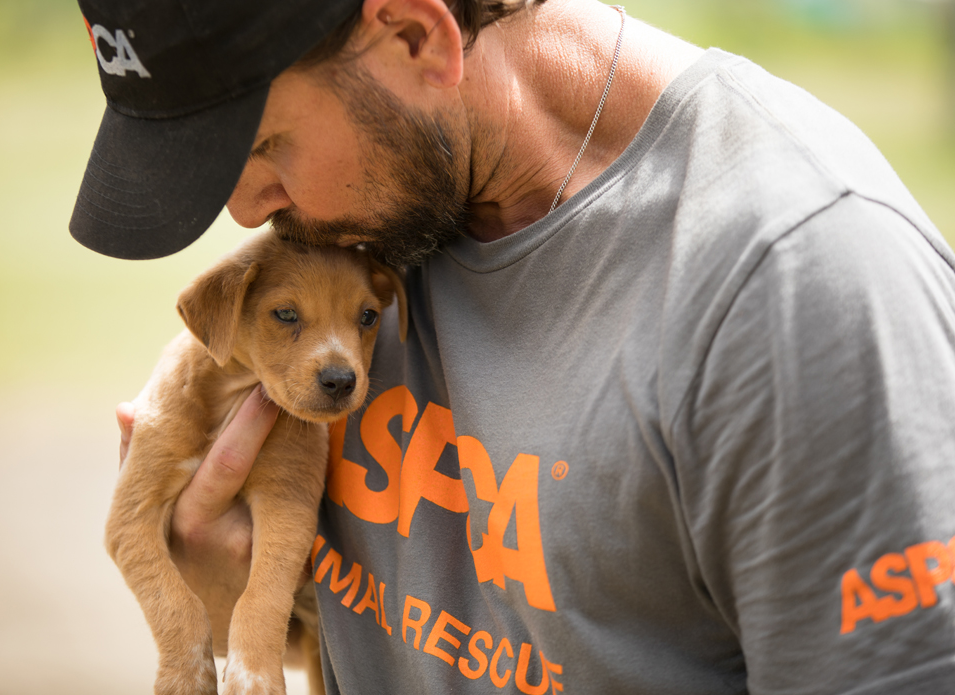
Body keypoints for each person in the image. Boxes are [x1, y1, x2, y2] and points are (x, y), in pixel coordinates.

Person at [73, 0, 955, 692]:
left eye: (265, 145)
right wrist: (232, 608)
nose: (246, 211)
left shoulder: (794, 281)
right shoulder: (373, 228)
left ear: (418, 37)